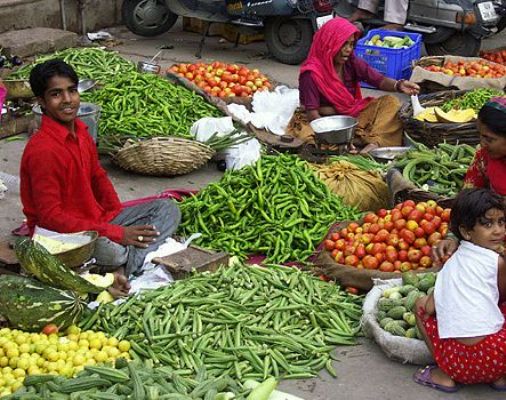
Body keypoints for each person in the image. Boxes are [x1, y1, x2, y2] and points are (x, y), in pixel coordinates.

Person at [20, 60, 181, 296]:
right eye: (56, 94)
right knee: (113, 250)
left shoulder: (82, 132)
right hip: (64, 237)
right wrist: (116, 233)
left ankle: (121, 269)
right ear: (42, 102)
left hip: (96, 220)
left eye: (72, 91)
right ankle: (122, 267)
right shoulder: (43, 150)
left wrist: (115, 216)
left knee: (168, 209)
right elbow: (51, 218)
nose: (67, 100)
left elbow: (98, 176)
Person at [414, 188, 506, 393]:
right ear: (466, 232)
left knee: (418, 305)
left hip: (458, 364)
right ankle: (499, 378)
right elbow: (500, 297)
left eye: (501, 222)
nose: (499, 230)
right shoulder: (498, 262)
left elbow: (429, 308)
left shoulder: (451, 263)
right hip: (500, 356)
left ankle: (444, 374)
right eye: (488, 224)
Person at [297, 17, 420, 152]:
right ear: (329, 43)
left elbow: (378, 80)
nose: (348, 49)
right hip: (323, 122)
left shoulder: (351, 61)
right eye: (343, 44)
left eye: (351, 44)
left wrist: (399, 85)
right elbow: (313, 115)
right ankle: (351, 141)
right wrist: (337, 128)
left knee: (391, 103)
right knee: (307, 136)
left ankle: (373, 144)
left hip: (351, 115)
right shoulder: (311, 74)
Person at [432, 97, 506, 265]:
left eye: (490, 139)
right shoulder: (484, 157)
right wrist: (452, 236)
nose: (482, 143)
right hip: (495, 234)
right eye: (480, 135)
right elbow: (467, 200)